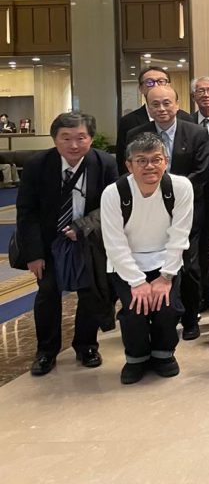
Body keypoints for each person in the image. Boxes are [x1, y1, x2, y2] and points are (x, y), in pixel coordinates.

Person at [16, 112, 118, 376]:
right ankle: (46, 351)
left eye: (81, 137)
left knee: (90, 293)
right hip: (49, 243)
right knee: (48, 293)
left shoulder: (105, 163)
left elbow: (111, 206)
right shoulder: (37, 165)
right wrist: (34, 254)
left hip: (88, 239)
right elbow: (27, 212)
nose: (74, 145)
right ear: (55, 139)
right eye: (66, 138)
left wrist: (83, 227)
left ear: (91, 138)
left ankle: (87, 346)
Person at [100, 132, 194, 384]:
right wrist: (137, 282)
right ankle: (136, 357)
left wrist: (166, 277)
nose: (149, 166)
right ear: (129, 165)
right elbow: (114, 243)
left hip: (166, 261)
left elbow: (180, 235)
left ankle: (164, 354)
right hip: (126, 263)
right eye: (141, 160)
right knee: (135, 310)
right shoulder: (114, 193)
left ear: (166, 161)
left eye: (156, 159)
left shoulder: (180, 187)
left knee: (167, 308)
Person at [126, 85, 209, 340]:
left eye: (166, 103)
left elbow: (201, 172)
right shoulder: (136, 134)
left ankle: (191, 318)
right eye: (155, 104)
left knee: (190, 266)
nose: (161, 109)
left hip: (189, 209)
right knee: (156, 264)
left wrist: (172, 193)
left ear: (177, 104)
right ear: (147, 107)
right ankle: (161, 317)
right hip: (148, 211)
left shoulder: (196, 132)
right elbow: (129, 171)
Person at [115, 66, 191, 170]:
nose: (156, 85)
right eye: (149, 82)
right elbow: (123, 162)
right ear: (141, 88)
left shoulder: (186, 118)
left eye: (161, 81)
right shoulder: (128, 121)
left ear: (169, 85)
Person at [191, 75, 209, 311]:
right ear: (194, 96)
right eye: (200, 91)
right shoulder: (187, 122)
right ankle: (204, 296)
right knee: (199, 248)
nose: (205, 95)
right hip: (196, 195)